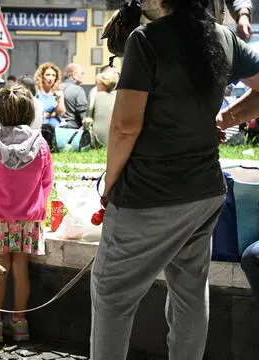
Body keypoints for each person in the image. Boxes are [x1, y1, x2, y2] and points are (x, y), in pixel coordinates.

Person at [91, 0, 259, 359]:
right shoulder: (223, 37)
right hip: (204, 193)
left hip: (146, 195)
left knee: (111, 294)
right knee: (190, 293)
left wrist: (108, 186)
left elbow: (125, 126)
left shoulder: (146, 40)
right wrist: (225, 119)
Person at [0, 85, 53, 344]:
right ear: (30, 111)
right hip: (28, 218)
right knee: (21, 268)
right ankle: (20, 323)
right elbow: (46, 182)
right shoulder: (40, 144)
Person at [34, 62, 65, 146]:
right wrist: (53, 114)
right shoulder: (36, 94)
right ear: (41, 77)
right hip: (41, 128)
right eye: (48, 75)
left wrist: (60, 99)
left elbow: (61, 112)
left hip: (56, 127)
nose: (51, 78)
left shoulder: (57, 93)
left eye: (53, 75)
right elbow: (36, 114)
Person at [84, 71, 118, 147]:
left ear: (102, 85)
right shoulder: (118, 96)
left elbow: (88, 118)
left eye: (97, 84)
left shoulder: (95, 95)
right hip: (116, 140)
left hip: (98, 140)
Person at [59, 63, 88, 129]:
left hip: (57, 128)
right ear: (74, 75)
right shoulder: (78, 90)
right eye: (82, 73)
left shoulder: (57, 87)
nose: (83, 76)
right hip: (73, 129)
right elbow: (83, 112)